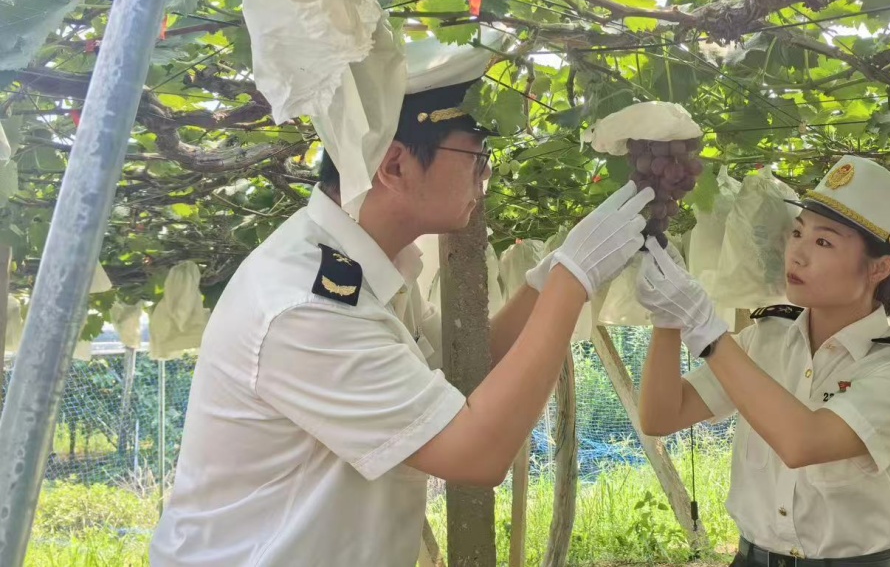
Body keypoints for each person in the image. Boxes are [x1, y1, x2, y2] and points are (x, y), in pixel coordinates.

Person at [149, 72, 653, 566]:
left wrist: (551, 273)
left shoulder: (372, 268)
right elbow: (475, 455)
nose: (485, 177)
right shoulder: (307, 308)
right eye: (476, 158)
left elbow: (465, 368)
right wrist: (573, 281)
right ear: (394, 165)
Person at [636, 156, 890, 567]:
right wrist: (668, 321)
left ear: (880, 268)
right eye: (797, 234)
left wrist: (708, 332)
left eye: (823, 242)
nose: (796, 254)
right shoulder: (765, 339)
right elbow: (662, 416)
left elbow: (803, 442)